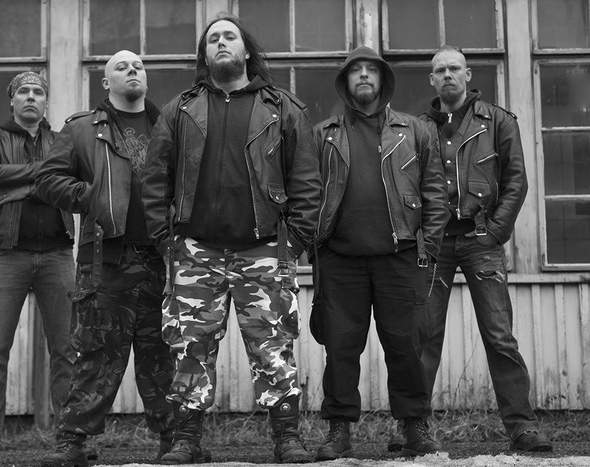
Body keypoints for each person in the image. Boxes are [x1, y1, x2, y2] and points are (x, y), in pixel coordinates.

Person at [141, 14, 322, 465]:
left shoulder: (283, 108)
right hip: (194, 251)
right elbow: (154, 180)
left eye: (229, 36)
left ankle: (287, 438)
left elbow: (307, 183)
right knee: (189, 348)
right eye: (213, 39)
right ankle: (186, 439)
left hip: (264, 249)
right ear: (204, 56)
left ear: (246, 50)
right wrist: (167, 243)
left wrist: (291, 245)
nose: (221, 43)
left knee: (273, 347)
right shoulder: (180, 110)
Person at [36, 50, 175, 467]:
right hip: (105, 259)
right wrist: (90, 195)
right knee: (95, 355)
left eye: (139, 66)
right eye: (121, 66)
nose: (132, 70)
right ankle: (72, 442)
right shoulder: (82, 129)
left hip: (162, 259)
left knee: (163, 354)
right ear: (105, 82)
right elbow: (48, 180)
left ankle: (175, 441)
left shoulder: (169, 125)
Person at [310, 45, 450, 460]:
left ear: (383, 79)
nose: (364, 76)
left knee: (406, 347)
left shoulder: (414, 130)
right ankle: (338, 431)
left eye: (372, 69)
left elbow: (435, 194)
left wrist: (427, 248)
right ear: (345, 81)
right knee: (340, 349)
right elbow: (309, 194)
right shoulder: (323, 134)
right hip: (340, 259)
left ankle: (415, 427)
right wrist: (315, 247)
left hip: (400, 256)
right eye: (356, 70)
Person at [418, 45, 552, 452]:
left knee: (499, 336)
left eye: (454, 68)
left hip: (482, 241)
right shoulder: (418, 128)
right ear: (431, 80)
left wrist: (495, 232)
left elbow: (516, 181)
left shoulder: (497, 121)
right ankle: (414, 428)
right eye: (440, 70)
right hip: (435, 243)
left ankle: (522, 427)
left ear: (468, 74)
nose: (447, 75)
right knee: (423, 337)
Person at [0, 72, 76, 465]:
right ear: (12, 100)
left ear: (46, 101)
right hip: (6, 255)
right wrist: (45, 174)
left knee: (66, 350)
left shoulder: (62, 141)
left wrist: (24, 186)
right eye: (24, 92)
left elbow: (72, 183)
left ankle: (71, 441)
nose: (31, 97)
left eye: (38, 92)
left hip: (58, 255)